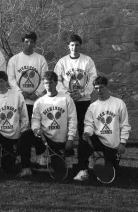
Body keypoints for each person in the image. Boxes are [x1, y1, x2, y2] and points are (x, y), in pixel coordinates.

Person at [19, 71, 77, 177]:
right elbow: (35, 119)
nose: (48, 85)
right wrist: (36, 129)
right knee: (25, 135)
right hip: (43, 138)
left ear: (56, 83)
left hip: (59, 141)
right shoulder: (39, 102)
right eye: (46, 83)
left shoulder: (66, 99)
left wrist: (70, 138)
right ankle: (26, 167)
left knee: (59, 172)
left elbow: (72, 119)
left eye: (51, 82)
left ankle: (61, 157)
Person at [54, 34, 97, 173]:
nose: (74, 47)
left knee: (83, 130)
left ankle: (84, 160)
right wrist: (67, 94)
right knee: (65, 129)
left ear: (80, 45)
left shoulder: (87, 61)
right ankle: (65, 158)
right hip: (67, 101)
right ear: (68, 46)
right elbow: (57, 80)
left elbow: (92, 80)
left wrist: (82, 93)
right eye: (72, 45)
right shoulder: (62, 62)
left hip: (83, 101)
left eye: (77, 45)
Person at [74, 76, 131, 181]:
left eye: (102, 87)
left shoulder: (119, 103)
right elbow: (88, 124)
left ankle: (105, 159)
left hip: (113, 144)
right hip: (98, 140)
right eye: (96, 88)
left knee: (111, 172)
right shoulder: (92, 107)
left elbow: (125, 125)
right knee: (83, 140)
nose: (99, 90)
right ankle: (83, 169)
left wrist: (122, 143)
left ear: (107, 87)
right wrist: (87, 132)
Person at [7, 32, 49, 166]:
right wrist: (20, 93)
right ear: (22, 42)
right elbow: (11, 79)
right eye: (26, 42)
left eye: (31, 42)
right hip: (20, 101)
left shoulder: (40, 59)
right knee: (22, 129)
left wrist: (37, 93)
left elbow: (44, 78)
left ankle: (41, 153)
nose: (29, 44)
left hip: (36, 101)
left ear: (35, 43)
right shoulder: (14, 60)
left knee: (35, 128)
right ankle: (20, 156)